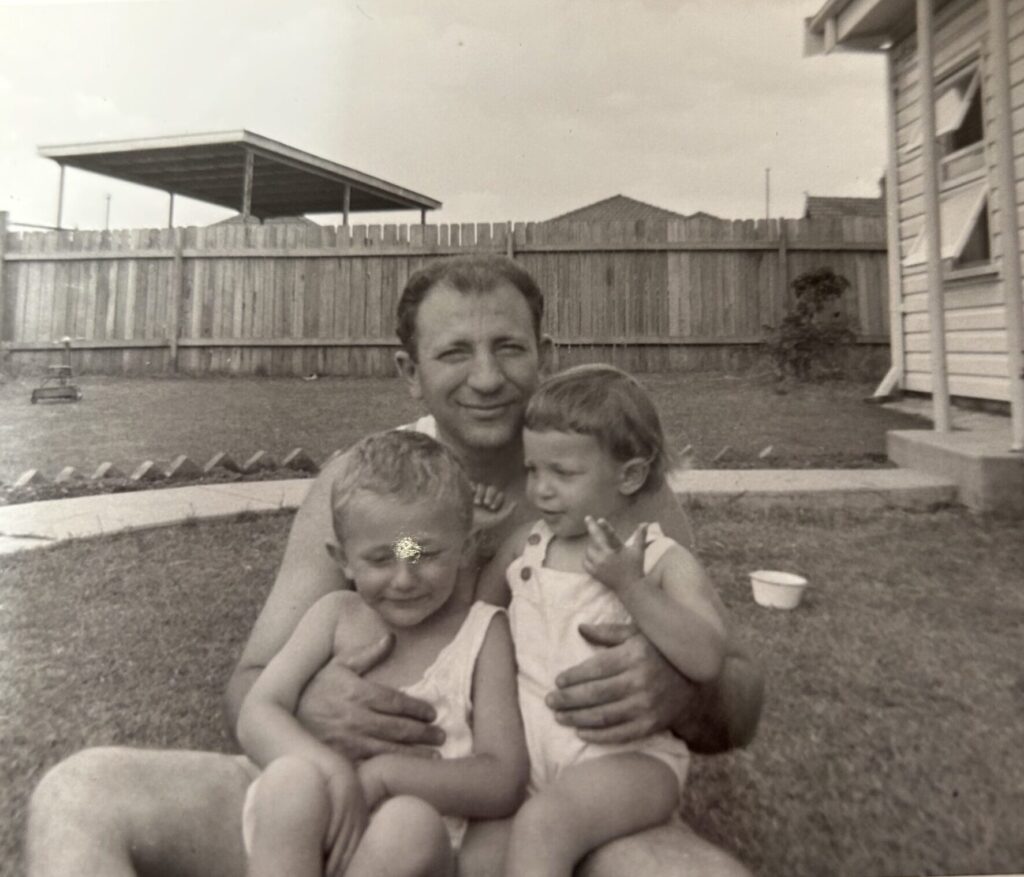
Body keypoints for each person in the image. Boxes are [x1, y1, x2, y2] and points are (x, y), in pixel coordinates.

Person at [27, 254, 763, 877]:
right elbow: (254, 681)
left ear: (547, 353)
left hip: (542, 808)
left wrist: (680, 686)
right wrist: (312, 700)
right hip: (348, 800)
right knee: (80, 790)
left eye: (509, 347)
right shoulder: (372, 488)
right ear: (408, 371)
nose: (486, 377)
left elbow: (738, 694)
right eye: (453, 353)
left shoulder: (617, 493)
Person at [472, 364, 731, 875]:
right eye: (532, 470)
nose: (540, 490)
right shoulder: (525, 544)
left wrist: (631, 587)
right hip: (527, 763)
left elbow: (707, 656)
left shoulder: (659, 557)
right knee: (476, 856)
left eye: (562, 474)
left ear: (630, 475)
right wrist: (463, 534)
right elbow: (475, 618)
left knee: (544, 827)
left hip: (627, 764)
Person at [238, 429, 527, 877]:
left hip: (417, 841)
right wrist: (332, 770)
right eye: (380, 560)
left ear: (466, 548)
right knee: (289, 780)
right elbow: (258, 710)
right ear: (344, 560)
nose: (404, 579)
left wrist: (383, 776)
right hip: (321, 822)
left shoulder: (483, 633)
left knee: (405, 823)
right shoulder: (334, 616)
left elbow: (503, 779)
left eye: (424, 554)